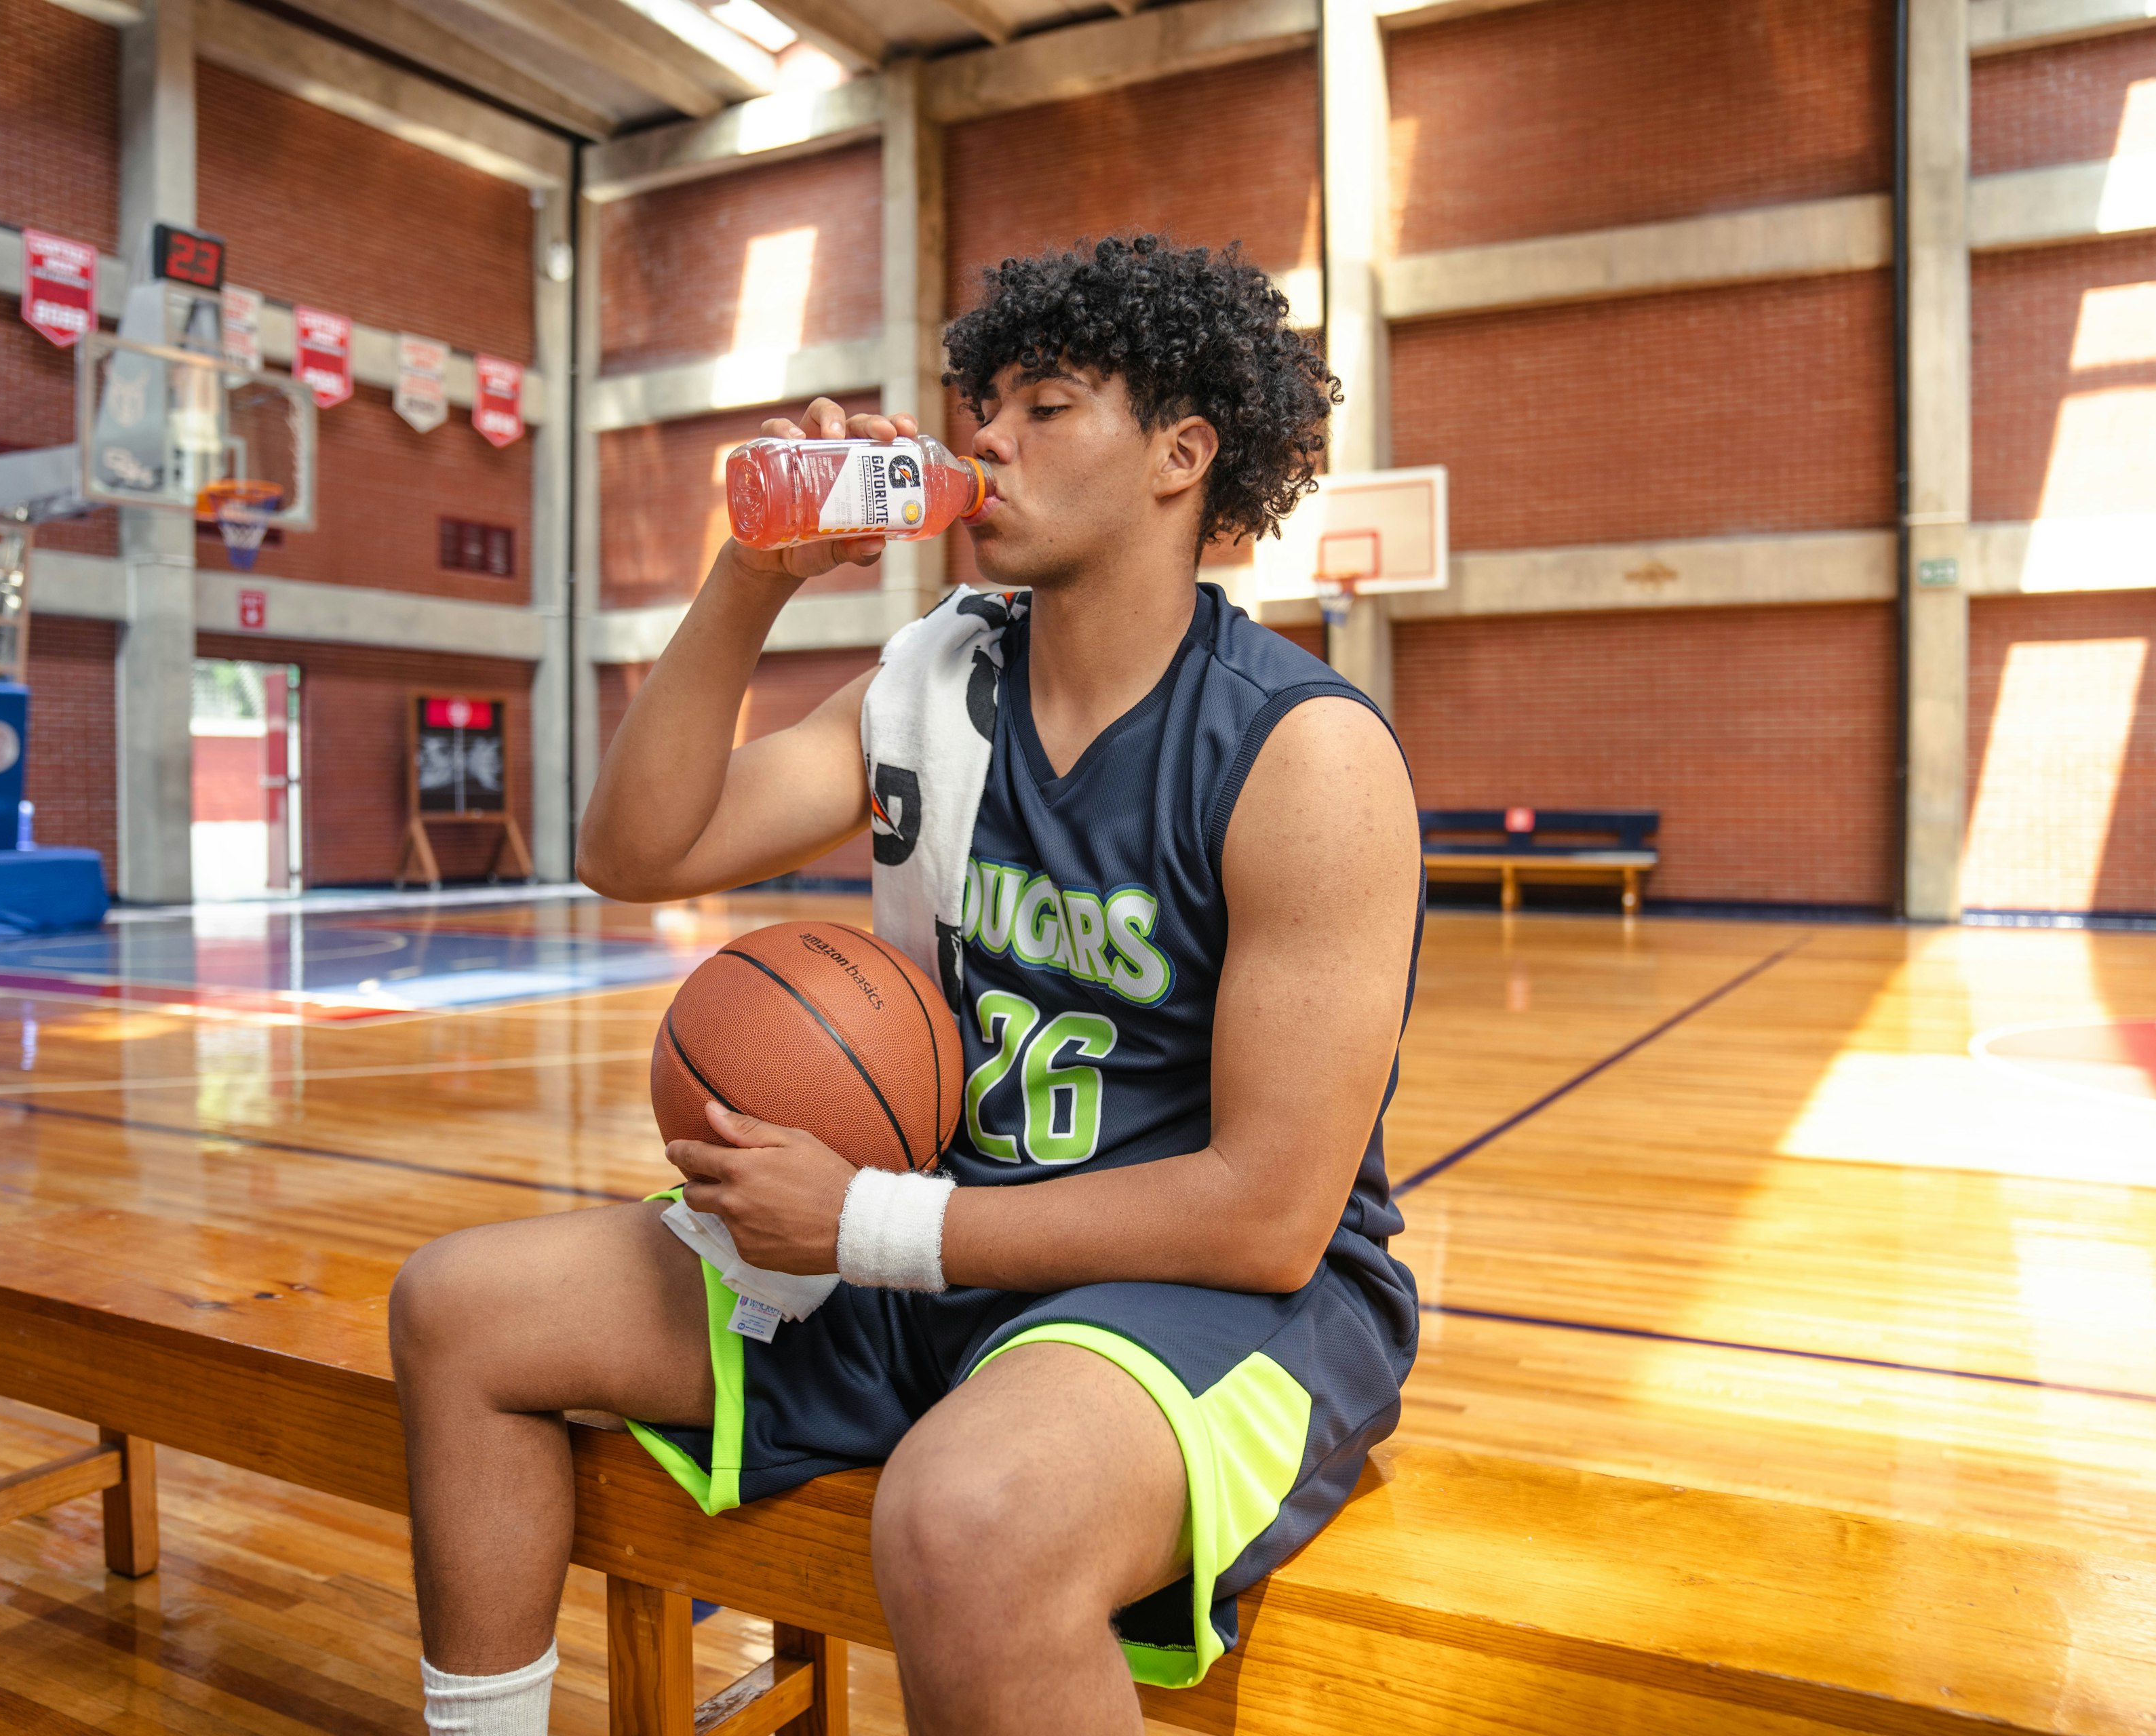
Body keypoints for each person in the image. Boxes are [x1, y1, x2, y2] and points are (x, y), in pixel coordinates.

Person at [389, 234, 1423, 1736]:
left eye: (1044, 404)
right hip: (940, 1245)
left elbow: (1268, 1214)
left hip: (1210, 1295)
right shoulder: (931, 680)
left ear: (1181, 454)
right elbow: (635, 848)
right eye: (980, 401)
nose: (980, 438)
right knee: (461, 1308)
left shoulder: (1303, 753)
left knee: (968, 1515)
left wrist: (871, 1219)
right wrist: (750, 576)